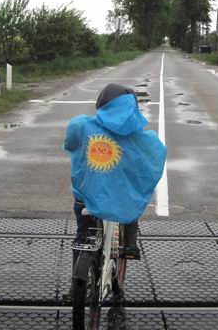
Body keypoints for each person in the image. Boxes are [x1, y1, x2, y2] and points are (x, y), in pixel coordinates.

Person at [63, 83, 167, 266]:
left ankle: (76, 286)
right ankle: (130, 245)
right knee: (131, 201)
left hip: (85, 197)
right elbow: (152, 158)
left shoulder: (81, 125)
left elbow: (70, 145)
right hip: (119, 199)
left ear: (101, 103)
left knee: (82, 238)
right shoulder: (138, 138)